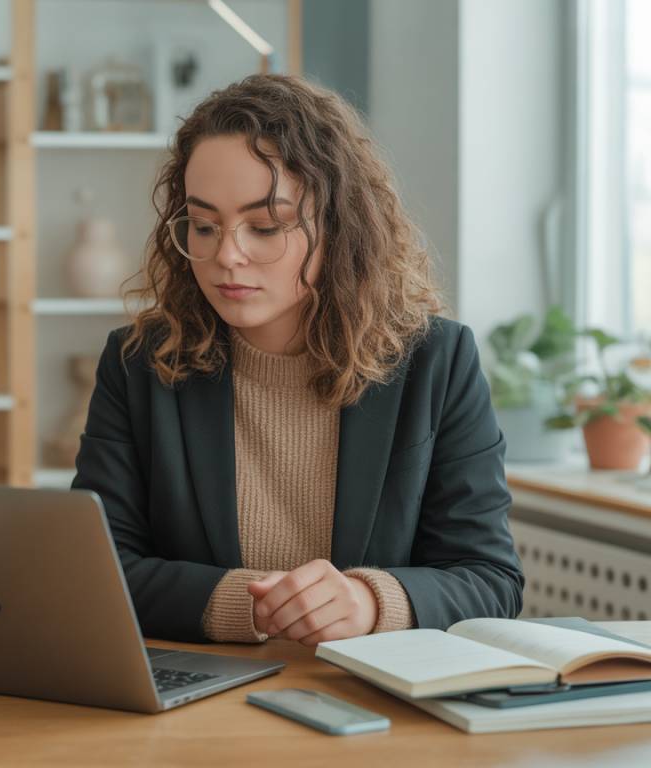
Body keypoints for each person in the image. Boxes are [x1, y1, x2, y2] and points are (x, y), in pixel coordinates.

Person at [71, 74, 523, 646]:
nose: (226, 256)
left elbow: (490, 580)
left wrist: (369, 601)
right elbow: (99, 571)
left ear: (338, 228)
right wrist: (252, 606)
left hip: (376, 707)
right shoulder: (139, 363)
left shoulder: (438, 361)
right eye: (204, 226)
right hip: (199, 705)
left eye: (264, 227)